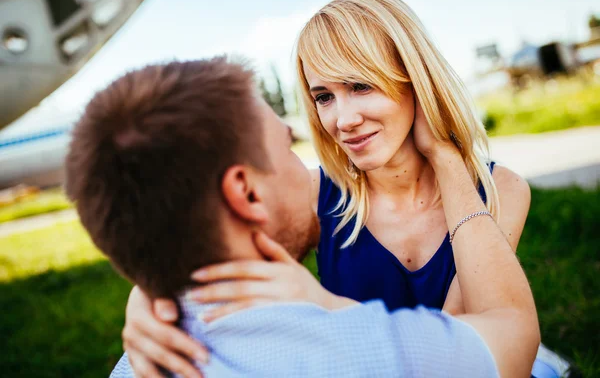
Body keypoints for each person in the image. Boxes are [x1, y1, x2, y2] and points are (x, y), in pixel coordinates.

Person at [123, 0, 566, 378]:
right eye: (323, 97)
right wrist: (147, 300)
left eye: (360, 85)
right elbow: (207, 248)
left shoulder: (500, 190)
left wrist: (445, 156)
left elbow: (463, 354)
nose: (343, 120)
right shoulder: (318, 195)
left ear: (415, 80)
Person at [66, 57, 539, 378]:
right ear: (246, 192)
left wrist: (159, 289)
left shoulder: (137, 363)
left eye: (360, 85)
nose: (341, 123)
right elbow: (511, 336)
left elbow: (169, 218)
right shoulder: (377, 352)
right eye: (288, 146)